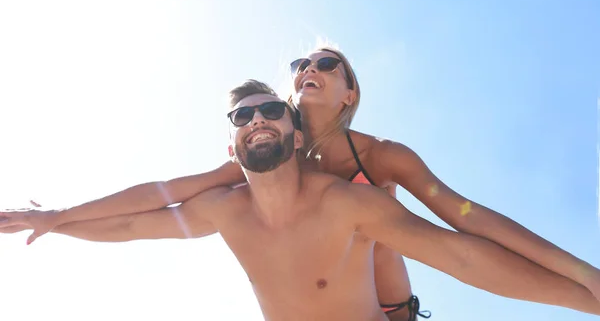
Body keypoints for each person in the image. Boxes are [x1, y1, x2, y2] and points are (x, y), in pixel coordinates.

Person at [3, 45, 600, 318]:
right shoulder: (243, 186)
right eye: (299, 67)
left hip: (388, 301)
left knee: (381, 227)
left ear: (349, 94)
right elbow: (153, 203)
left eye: (325, 64)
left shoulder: (371, 170)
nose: (308, 71)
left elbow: (465, 233)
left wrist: (583, 283)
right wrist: (56, 219)